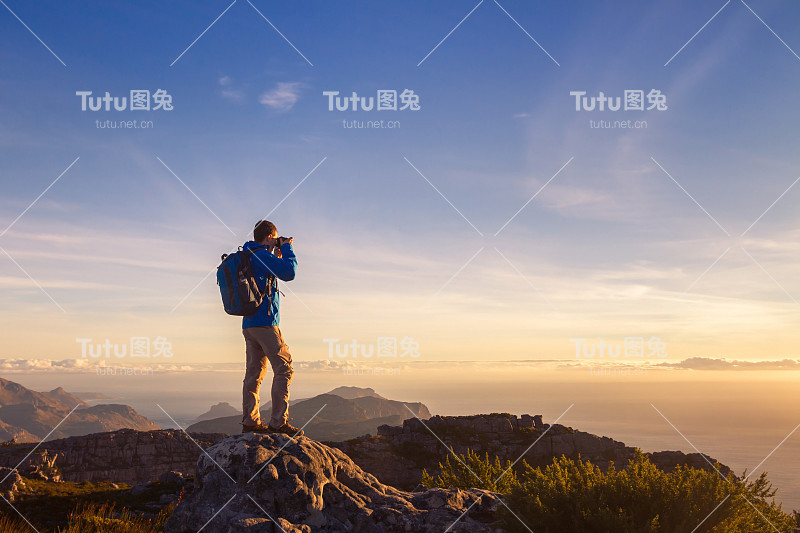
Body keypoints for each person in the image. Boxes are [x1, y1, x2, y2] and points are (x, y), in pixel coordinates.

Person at [240, 220, 302, 435]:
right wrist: (286, 247)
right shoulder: (260, 255)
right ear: (268, 237)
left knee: (254, 374)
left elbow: (271, 273)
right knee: (284, 369)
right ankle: (278, 423)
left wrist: (275, 251)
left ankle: (250, 422)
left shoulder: (250, 254)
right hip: (265, 323)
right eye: (274, 238)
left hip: (249, 324)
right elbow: (289, 272)